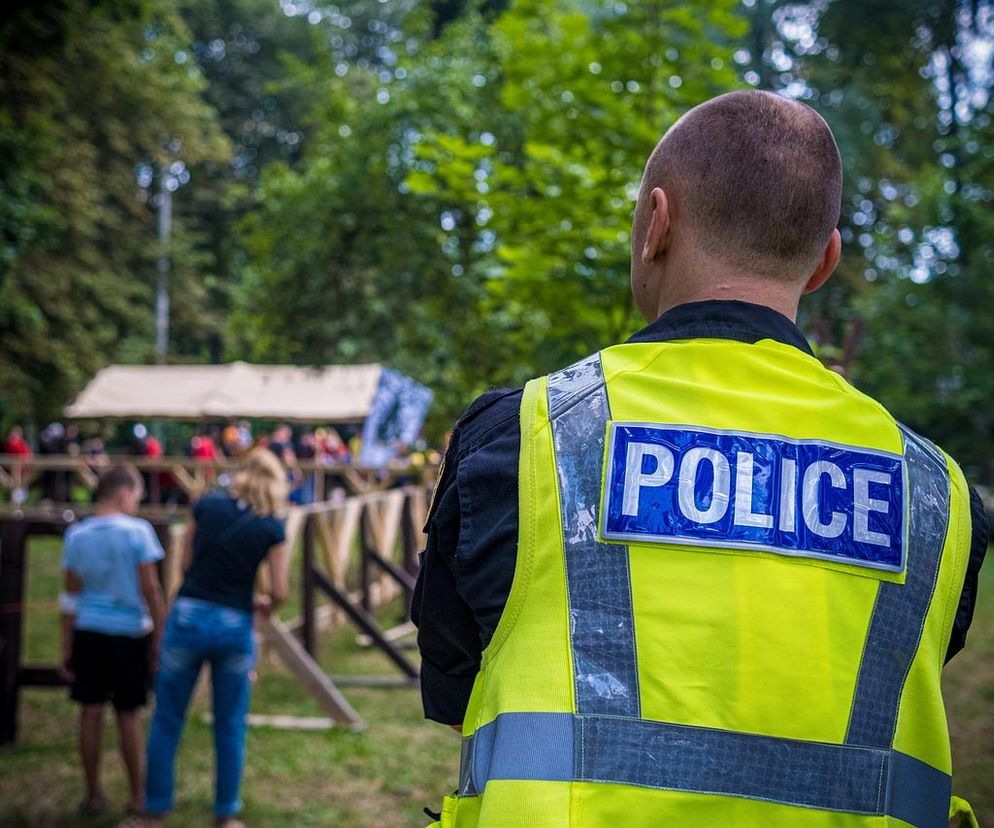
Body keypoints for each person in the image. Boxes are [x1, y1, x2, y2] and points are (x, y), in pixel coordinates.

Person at [412, 90, 989, 827]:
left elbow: (456, 683)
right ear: (825, 262)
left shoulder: (522, 436)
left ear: (657, 224)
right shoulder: (937, 493)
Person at [138, 449, 289, 828]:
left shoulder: (205, 506)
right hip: (236, 621)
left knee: (167, 718)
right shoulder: (272, 525)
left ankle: (155, 810)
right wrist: (264, 604)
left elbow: (186, 564)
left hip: (189, 614)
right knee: (230, 723)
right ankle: (226, 815)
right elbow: (281, 589)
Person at [59, 464, 166, 817]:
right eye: (136, 497)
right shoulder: (138, 532)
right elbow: (150, 588)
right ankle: (137, 796)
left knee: (90, 713)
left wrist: (66, 645)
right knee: (128, 716)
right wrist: (160, 635)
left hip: (88, 631)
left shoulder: (77, 535)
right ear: (123, 494)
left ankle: (92, 795)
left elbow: (70, 596)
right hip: (128, 633)